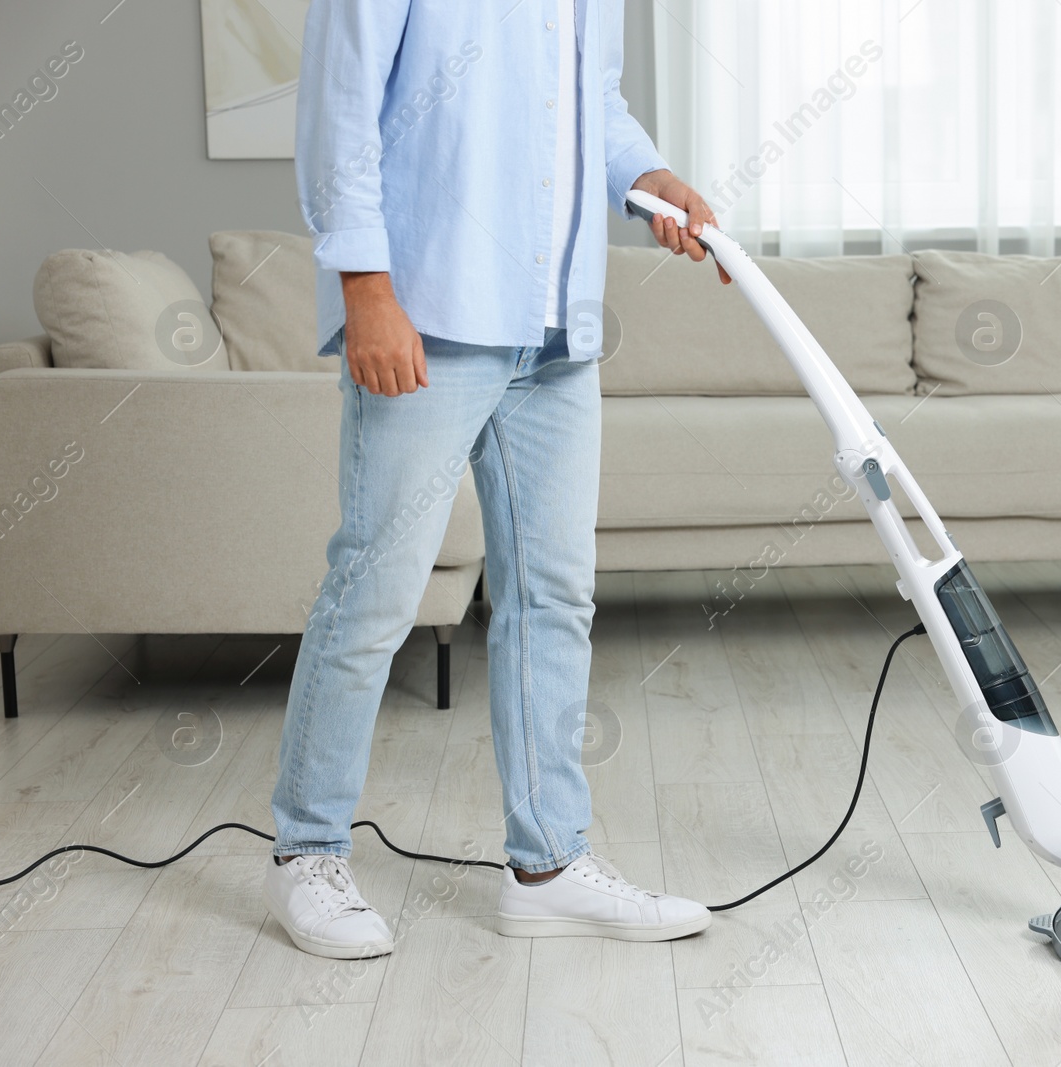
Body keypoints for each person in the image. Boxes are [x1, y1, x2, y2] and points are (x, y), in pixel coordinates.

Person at [263, 0, 727, 959]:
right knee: (376, 593)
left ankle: (549, 863)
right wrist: (365, 287)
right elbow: (339, 106)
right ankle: (307, 852)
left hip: (556, 327)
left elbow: (591, 99)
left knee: (554, 597)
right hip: (430, 310)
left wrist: (644, 173)